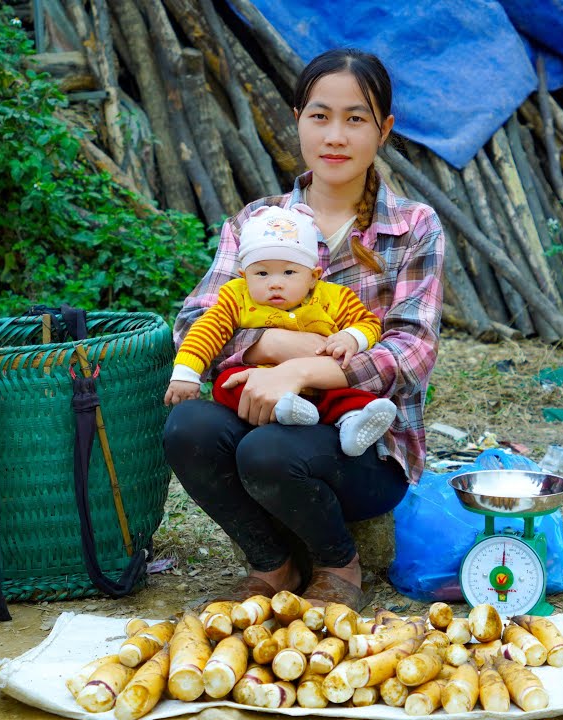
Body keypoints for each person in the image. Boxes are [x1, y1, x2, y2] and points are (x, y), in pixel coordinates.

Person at [161, 47, 445, 611]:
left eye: (355, 118)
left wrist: (306, 368)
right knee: (187, 427)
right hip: (257, 411)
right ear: (297, 120)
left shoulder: (413, 226)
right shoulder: (255, 222)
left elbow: (412, 351)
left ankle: (340, 565)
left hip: (361, 444)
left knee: (269, 450)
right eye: (320, 116)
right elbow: (196, 319)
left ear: (383, 129)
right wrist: (270, 345)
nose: (335, 135)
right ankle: (273, 563)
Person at [164, 203, 400, 457]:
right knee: (225, 384)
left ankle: (353, 422)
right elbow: (205, 331)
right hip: (258, 385)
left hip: (320, 382)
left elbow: (368, 323)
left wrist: (350, 337)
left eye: (289, 272)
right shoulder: (237, 298)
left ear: (313, 276)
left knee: (347, 392)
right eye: (262, 273)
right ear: (244, 276)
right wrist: (186, 374)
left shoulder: (334, 297)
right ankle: (288, 411)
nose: (275, 283)